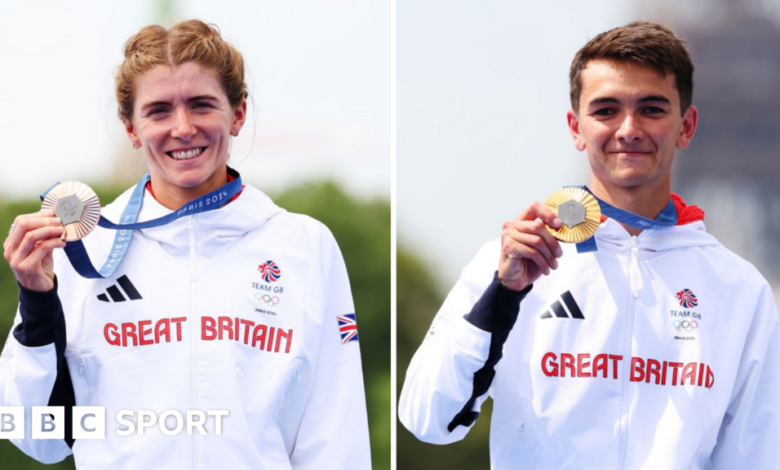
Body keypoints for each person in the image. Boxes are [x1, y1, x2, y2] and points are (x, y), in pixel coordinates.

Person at [399, 21, 779, 469]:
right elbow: (428, 418)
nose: (629, 129)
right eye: (606, 110)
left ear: (687, 125)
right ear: (576, 127)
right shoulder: (512, 262)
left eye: (652, 109)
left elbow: (755, 457)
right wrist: (502, 296)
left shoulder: (739, 290)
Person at [0, 20, 371, 469]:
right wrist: (38, 304)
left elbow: (336, 434)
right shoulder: (82, 247)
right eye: (158, 111)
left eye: (201, 105)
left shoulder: (303, 245)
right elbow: (36, 437)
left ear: (237, 114)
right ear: (132, 128)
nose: (182, 127)